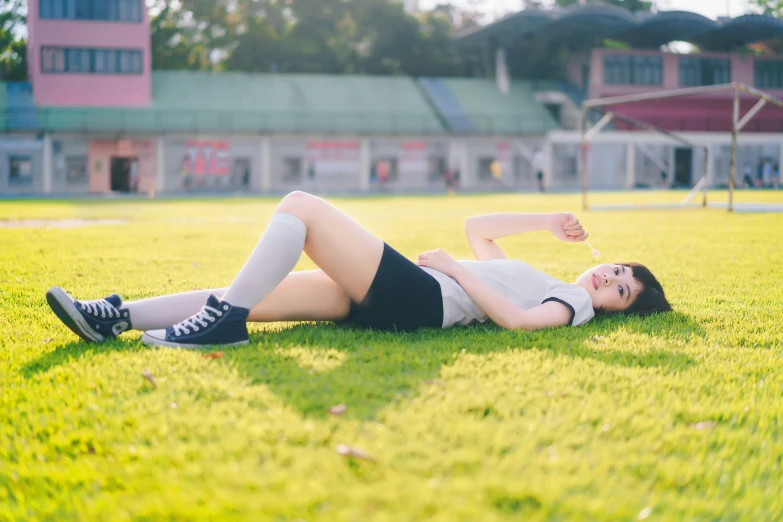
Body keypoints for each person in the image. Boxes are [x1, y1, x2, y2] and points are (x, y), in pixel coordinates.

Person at [45, 192, 671, 349]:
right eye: (616, 270)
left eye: (622, 290)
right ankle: (116, 317)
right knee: (256, 293)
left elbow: (516, 321)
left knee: (300, 208)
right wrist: (546, 220)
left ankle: (224, 323)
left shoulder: (572, 306)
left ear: (616, 309)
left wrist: (454, 269)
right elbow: (479, 229)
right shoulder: (548, 276)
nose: (607, 280)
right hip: (412, 301)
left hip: (424, 298)